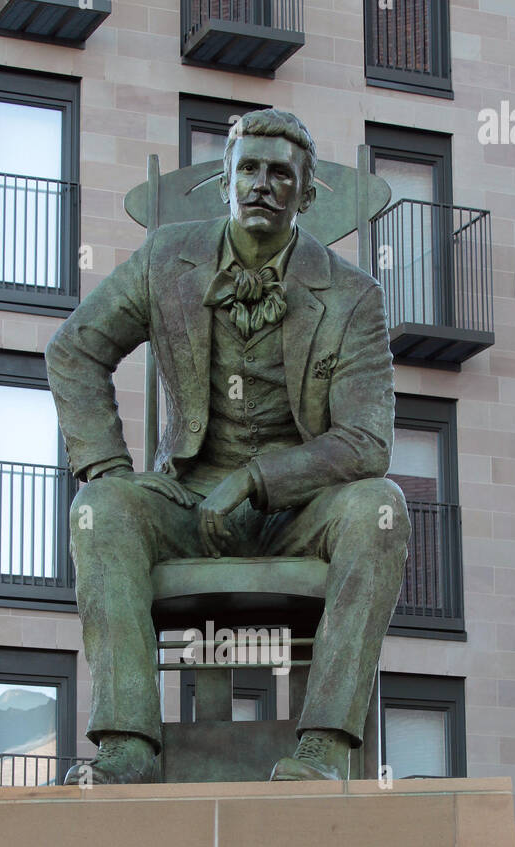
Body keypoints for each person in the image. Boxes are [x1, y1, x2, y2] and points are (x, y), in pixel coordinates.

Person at [45, 108, 409, 783]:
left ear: (305, 194)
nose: (261, 185)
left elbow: (365, 441)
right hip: (185, 503)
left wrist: (256, 479)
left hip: (298, 516)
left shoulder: (354, 296)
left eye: (280, 174)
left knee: (379, 508)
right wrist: (108, 466)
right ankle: (127, 747)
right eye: (248, 169)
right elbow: (75, 349)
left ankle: (323, 750)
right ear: (225, 181)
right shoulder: (166, 258)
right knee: (101, 509)